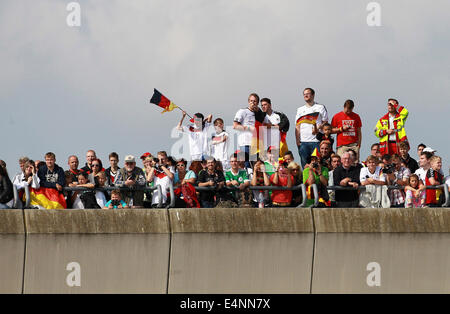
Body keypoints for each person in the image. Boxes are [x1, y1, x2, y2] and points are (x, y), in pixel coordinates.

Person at [295, 88, 329, 168]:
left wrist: (318, 127)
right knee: (305, 165)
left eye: (308, 93)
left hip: (316, 141)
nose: (306, 95)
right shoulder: (300, 109)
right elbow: (297, 126)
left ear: (313, 95)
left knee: (317, 164)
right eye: (304, 94)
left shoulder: (320, 107)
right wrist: (297, 141)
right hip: (303, 142)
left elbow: (326, 122)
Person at [233, 93, 261, 167]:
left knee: (255, 166)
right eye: (251, 101)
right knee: (246, 164)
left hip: (255, 143)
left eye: (255, 101)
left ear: (257, 103)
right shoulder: (242, 111)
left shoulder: (258, 114)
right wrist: (249, 128)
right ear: (248, 102)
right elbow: (235, 126)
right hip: (245, 142)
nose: (252, 103)